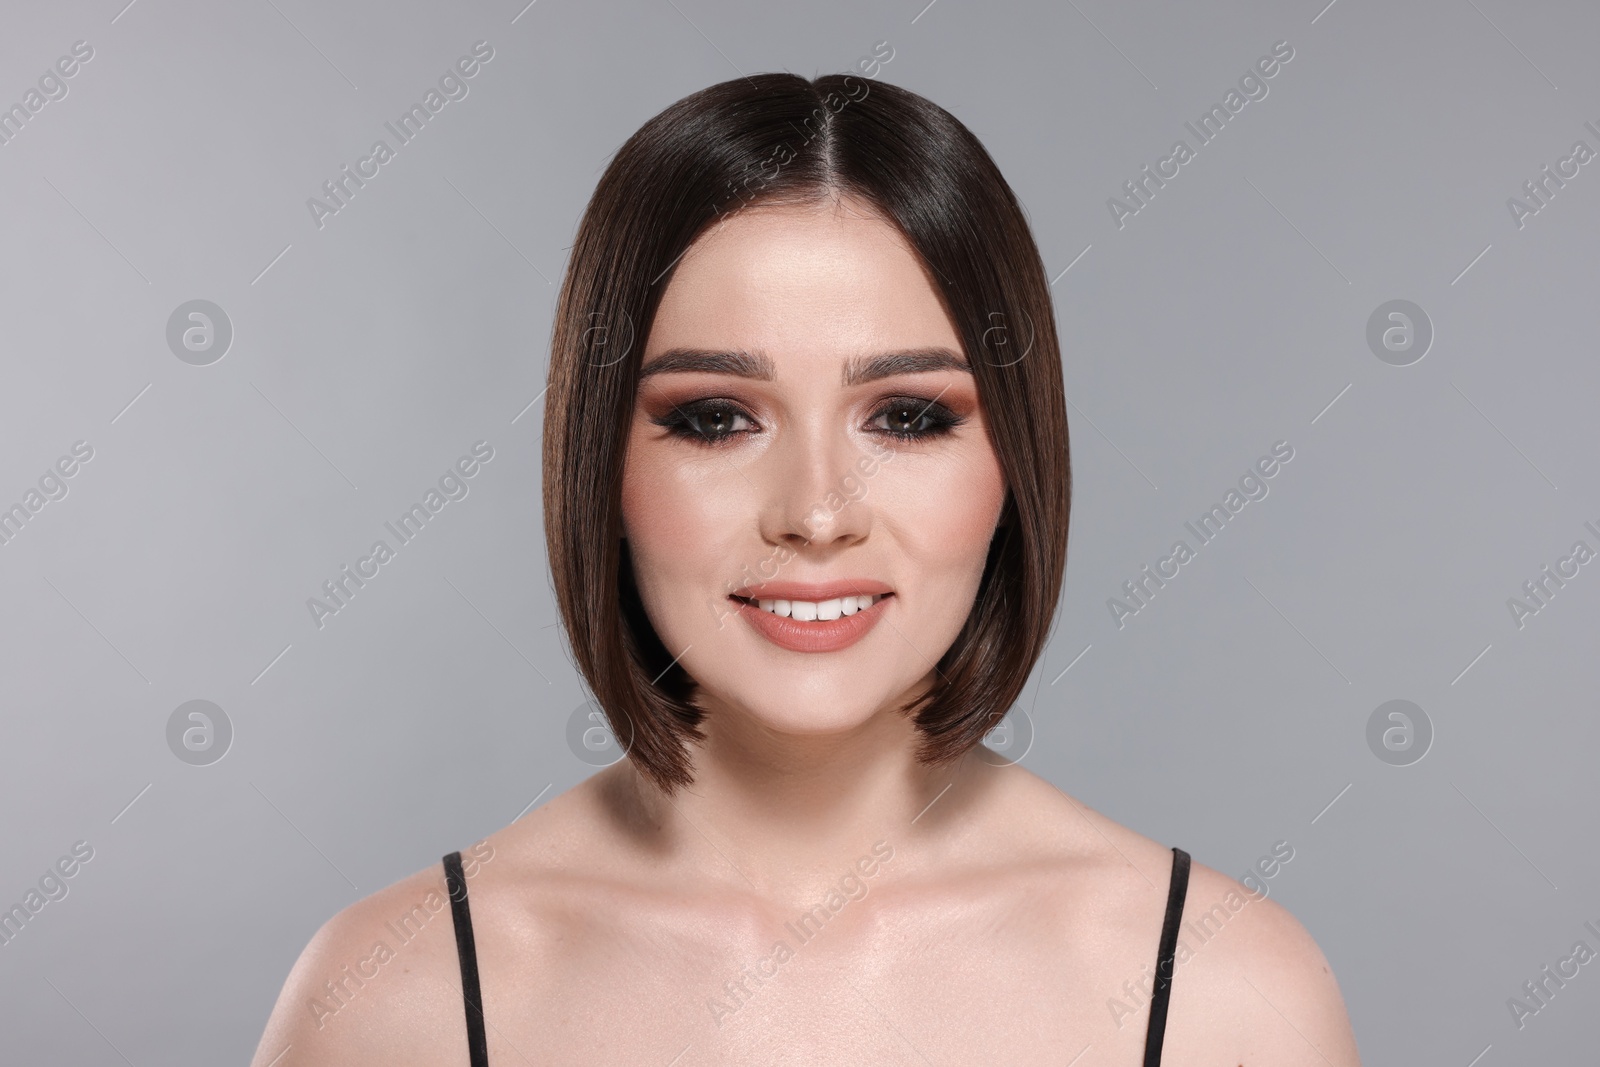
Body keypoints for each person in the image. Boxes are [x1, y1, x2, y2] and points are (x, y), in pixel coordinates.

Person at [251, 72, 1362, 1066]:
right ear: (601, 463)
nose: (816, 512)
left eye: (909, 414)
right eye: (718, 417)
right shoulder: (395, 999)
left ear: (1015, 458)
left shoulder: (1227, 998)